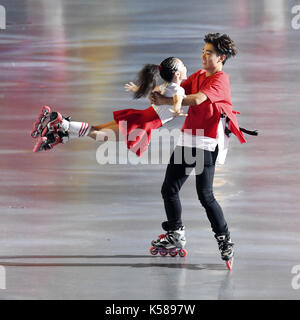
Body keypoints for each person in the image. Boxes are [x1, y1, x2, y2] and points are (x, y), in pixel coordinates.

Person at [150, 33, 251, 268]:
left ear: (221, 57)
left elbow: (195, 100)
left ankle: (224, 240)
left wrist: (166, 102)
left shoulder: (220, 80)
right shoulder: (197, 75)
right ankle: (176, 234)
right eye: (203, 51)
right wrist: (158, 91)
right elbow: (177, 90)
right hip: (188, 139)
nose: (204, 55)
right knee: (169, 189)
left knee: (205, 195)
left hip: (206, 144)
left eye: (209, 52)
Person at [31, 57, 188, 157]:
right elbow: (177, 101)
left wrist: (137, 89)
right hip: (141, 124)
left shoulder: (164, 87)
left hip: (139, 118)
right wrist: (177, 110)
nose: (186, 68)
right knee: (98, 134)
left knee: (96, 129)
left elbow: (153, 93)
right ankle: (62, 123)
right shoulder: (178, 90)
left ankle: (61, 135)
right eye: (183, 66)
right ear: (177, 74)